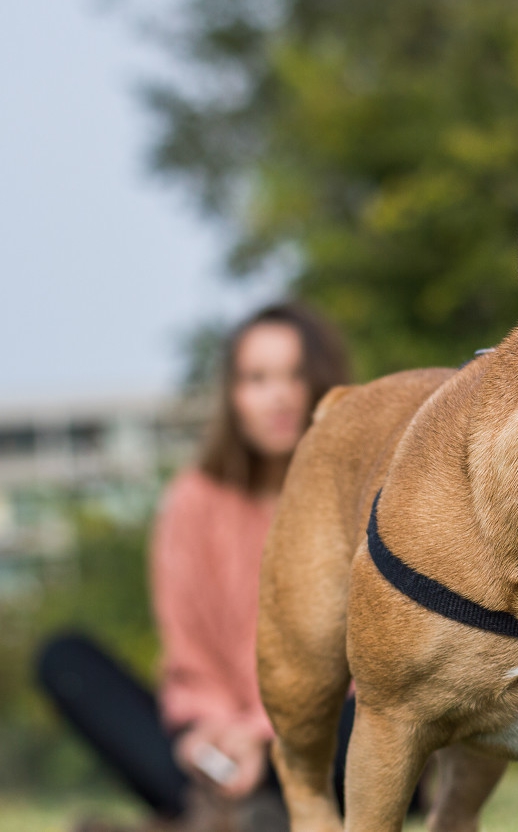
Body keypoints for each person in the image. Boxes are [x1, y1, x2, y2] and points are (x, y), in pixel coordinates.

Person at [37, 302, 350, 832]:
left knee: (372, 721)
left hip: (326, 732)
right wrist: (212, 731)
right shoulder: (192, 501)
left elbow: (364, 660)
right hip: (218, 742)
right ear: (233, 394)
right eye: (257, 379)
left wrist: (262, 734)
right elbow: (189, 653)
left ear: (321, 383)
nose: (278, 396)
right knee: (65, 660)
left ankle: (214, 814)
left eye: (295, 376)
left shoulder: (355, 491)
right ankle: (239, 809)